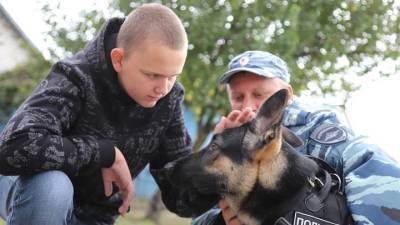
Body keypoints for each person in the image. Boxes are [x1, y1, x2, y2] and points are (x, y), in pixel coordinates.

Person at [0, 3, 197, 225]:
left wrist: (221, 155)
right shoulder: (75, 76)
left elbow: (181, 194)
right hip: (32, 194)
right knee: (53, 186)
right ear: (118, 59)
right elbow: (12, 147)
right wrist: (103, 153)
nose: (163, 89)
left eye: (173, 77)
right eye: (152, 75)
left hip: (94, 218)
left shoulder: (169, 100)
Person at [193, 51, 400, 225]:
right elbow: (196, 215)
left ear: (288, 94)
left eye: (259, 94)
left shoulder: (319, 136)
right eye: (238, 97)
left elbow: (387, 185)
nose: (248, 106)